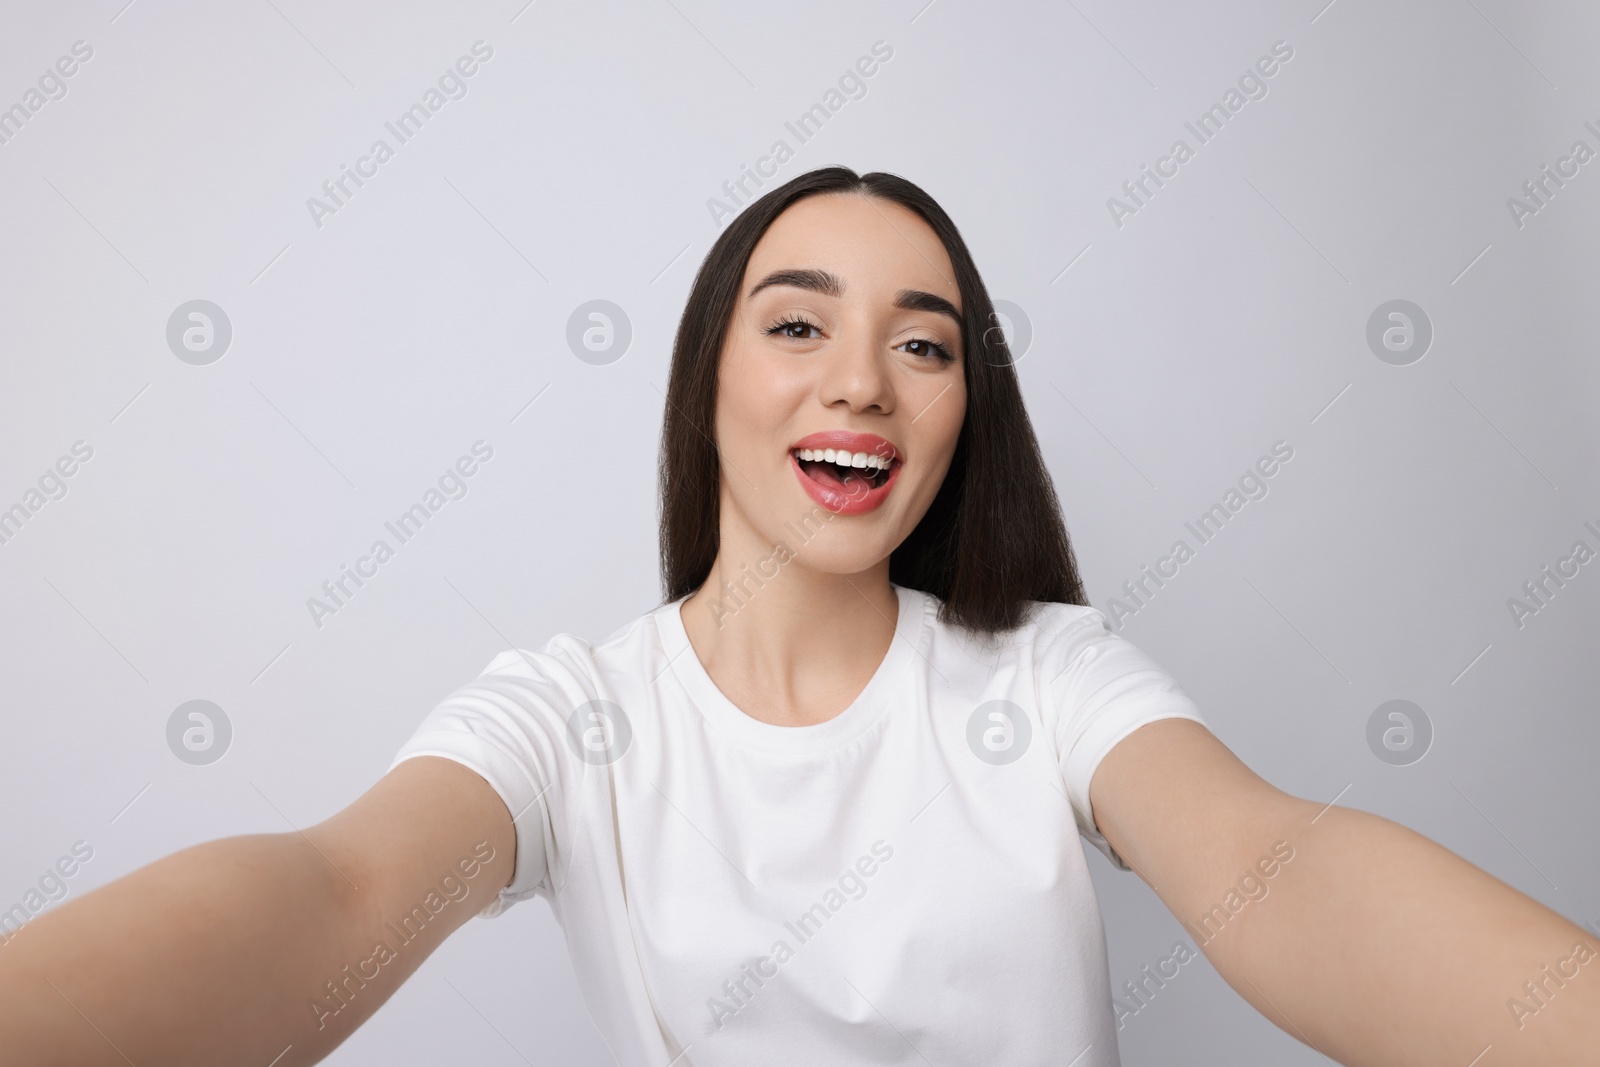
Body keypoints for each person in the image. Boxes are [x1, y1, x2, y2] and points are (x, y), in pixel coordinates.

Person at [1, 167, 1594, 1066]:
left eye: (926, 343)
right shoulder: (573, 719)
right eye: (797, 324)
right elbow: (337, 897)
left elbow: (1272, 867)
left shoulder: (1046, 679)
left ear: (968, 408)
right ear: (709, 381)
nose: (859, 379)